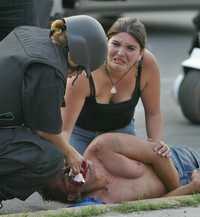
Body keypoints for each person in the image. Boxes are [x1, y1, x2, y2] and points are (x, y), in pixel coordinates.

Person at [0, 15, 107, 202]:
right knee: (49, 158)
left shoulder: (31, 33)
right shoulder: (50, 69)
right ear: (78, 56)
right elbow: (45, 129)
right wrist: (70, 153)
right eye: (81, 69)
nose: (77, 73)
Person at [62, 17, 164, 155]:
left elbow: (153, 113)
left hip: (121, 133)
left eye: (130, 48)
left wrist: (156, 145)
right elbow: (65, 130)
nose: (121, 53)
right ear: (105, 43)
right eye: (115, 44)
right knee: (81, 172)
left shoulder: (147, 65)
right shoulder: (85, 71)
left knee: (135, 170)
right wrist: (68, 156)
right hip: (80, 135)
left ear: (140, 54)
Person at [39, 133, 200, 204]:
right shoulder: (105, 203)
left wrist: (182, 192)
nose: (73, 169)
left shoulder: (102, 147)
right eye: (68, 177)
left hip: (182, 161)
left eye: (67, 164)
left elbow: (158, 155)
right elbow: (155, 205)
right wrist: (190, 189)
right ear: (73, 196)